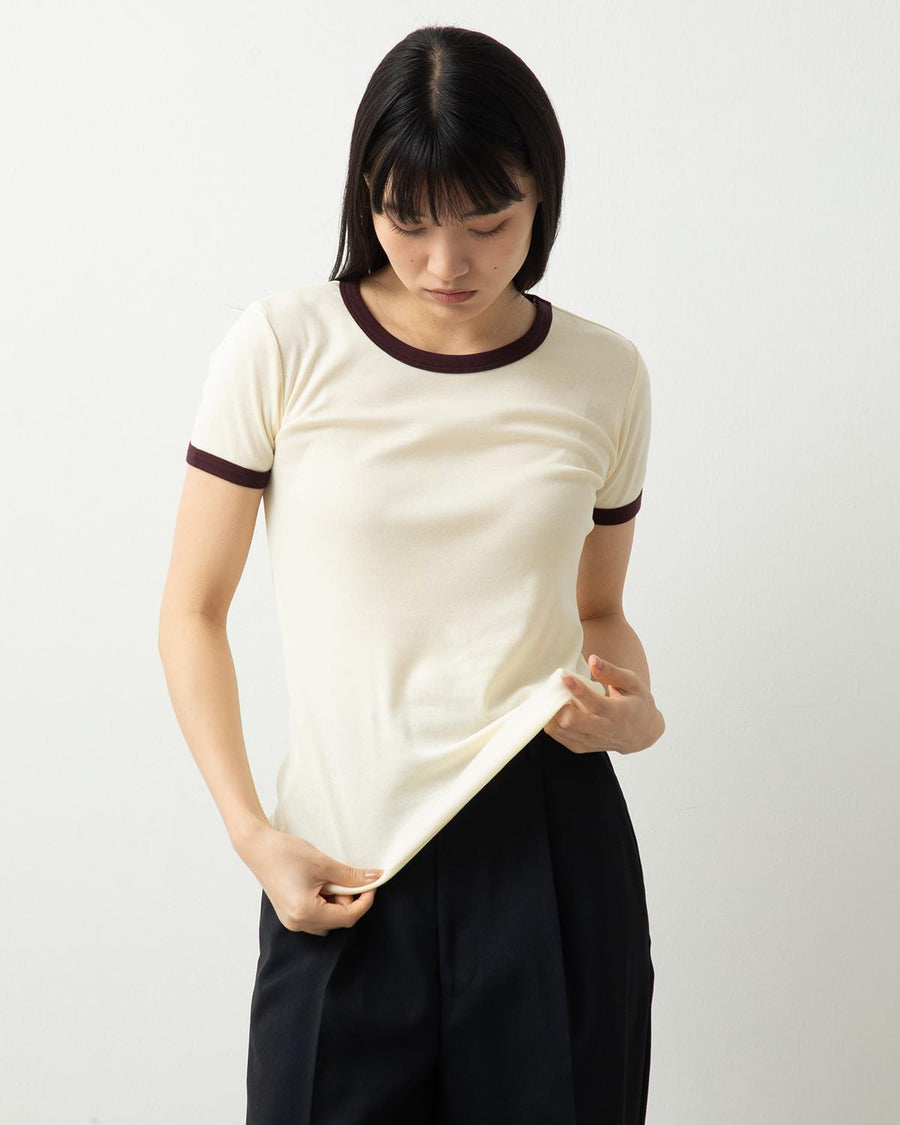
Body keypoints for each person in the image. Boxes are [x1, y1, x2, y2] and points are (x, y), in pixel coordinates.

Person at [158, 23, 665, 1125]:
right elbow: (192, 611)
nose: (447, 265)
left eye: (488, 224)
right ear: (366, 198)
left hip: (547, 843)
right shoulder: (282, 346)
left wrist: (635, 712)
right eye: (408, 221)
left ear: (542, 198)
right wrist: (252, 834)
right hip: (342, 855)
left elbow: (599, 611)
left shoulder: (605, 375)